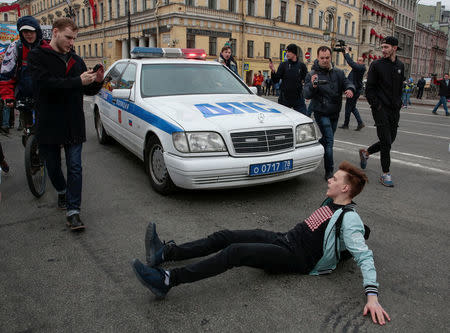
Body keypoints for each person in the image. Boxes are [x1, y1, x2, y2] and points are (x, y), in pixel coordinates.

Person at [132, 161, 391, 326]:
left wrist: (372, 297)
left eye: (335, 179)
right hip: (285, 238)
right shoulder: (331, 202)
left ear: (345, 189)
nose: (329, 180)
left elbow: (364, 255)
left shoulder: (350, 218)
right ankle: (165, 252)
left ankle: (167, 280)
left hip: (296, 258)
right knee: (225, 236)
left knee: (235, 252)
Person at [29, 18, 104, 231]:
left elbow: (85, 90)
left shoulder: (76, 60)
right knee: (52, 165)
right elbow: (45, 85)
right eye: (68, 37)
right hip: (49, 122)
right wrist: (78, 82)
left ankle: (73, 212)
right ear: (55, 33)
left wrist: (97, 82)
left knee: (75, 166)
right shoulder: (37, 57)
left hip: (74, 123)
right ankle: (61, 191)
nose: (72, 42)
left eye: (74, 39)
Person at [359, 36, 405, 187]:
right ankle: (385, 174)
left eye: (386, 47)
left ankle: (366, 153)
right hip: (380, 110)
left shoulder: (400, 65)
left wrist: (399, 102)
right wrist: (376, 106)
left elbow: (400, 87)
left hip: (394, 110)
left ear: (394, 48)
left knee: (391, 139)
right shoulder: (376, 65)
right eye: (382, 47)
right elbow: (369, 89)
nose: (383, 50)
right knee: (386, 142)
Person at [304, 46, 355, 181]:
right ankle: (329, 171)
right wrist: (313, 86)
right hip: (321, 112)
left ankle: (313, 148)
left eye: (327, 58)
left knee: (326, 140)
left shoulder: (338, 72)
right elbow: (306, 94)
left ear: (330, 57)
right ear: (318, 57)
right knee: (330, 142)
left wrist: (349, 89)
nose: (325, 60)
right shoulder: (312, 74)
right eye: (322, 58)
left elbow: (347, 83)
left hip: (335, 112)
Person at [0, 16, 46, 132]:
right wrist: (8, 97)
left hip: (44, 95)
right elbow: (6, 75)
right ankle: (28, 136)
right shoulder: (15, 47)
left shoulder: (46, 47)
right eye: (25, 32)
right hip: (24, 95)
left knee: (47, 127)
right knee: (28, 129)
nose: (28, 35)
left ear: (37, 31)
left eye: (31, 31)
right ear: (21, 33)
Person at [269, 43, 308, 115]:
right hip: (285, 98)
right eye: (286, 52)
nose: (287, 53)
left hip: (298, 97)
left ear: (294, 53)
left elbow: (306, 80)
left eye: (289, 52)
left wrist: (307, 93)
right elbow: (276, 80)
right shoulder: (283, 65)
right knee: (282, 118)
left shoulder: (302, 66)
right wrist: (273, 71)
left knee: (303, 117)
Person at [339, 47, 366, 131]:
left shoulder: (361, 68)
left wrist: (347, 53)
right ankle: (360, 123)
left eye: (360, 60)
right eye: (357, 60)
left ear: (363, 62)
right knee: (352, 107)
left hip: (354, 90)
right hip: (354, 89)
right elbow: (350, 61)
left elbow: (350, 62)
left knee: (348, 107)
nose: (358, 61)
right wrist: (344, 53)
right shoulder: (357, 67)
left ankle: (346, 124)